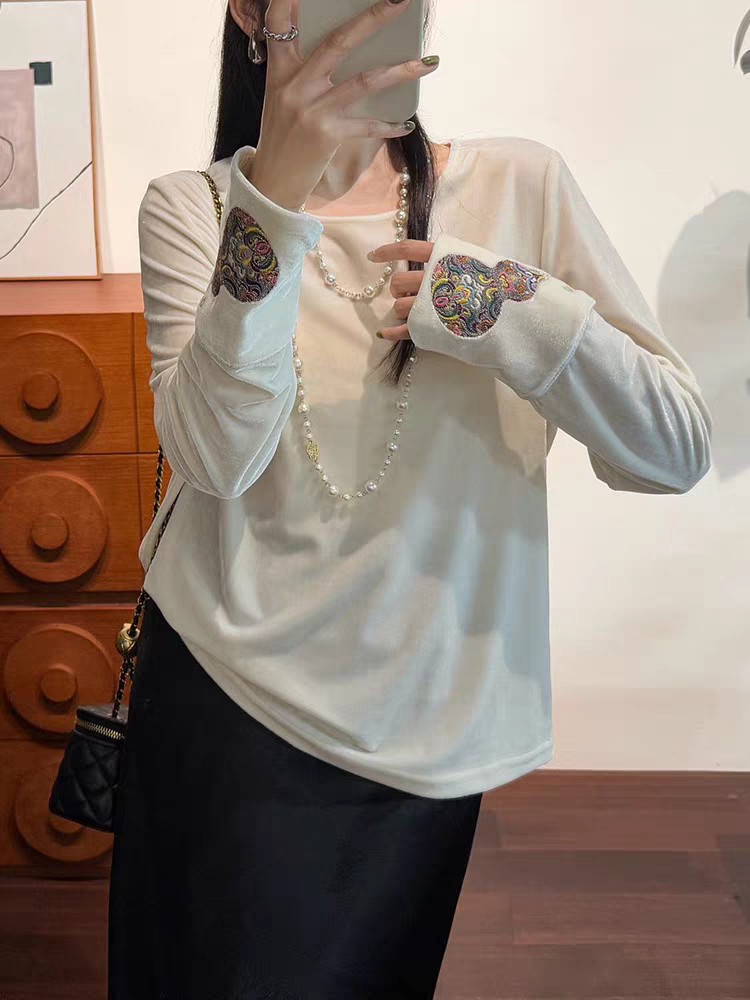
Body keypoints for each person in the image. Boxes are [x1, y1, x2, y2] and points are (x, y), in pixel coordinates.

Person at [107, 0, 714, 996]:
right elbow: (216, 457)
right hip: (229, 712)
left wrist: (503, 305)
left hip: (427, 725)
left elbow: (673, 448)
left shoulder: (517, 186)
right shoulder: (195, 208)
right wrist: (276, 196)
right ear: (252, 11)